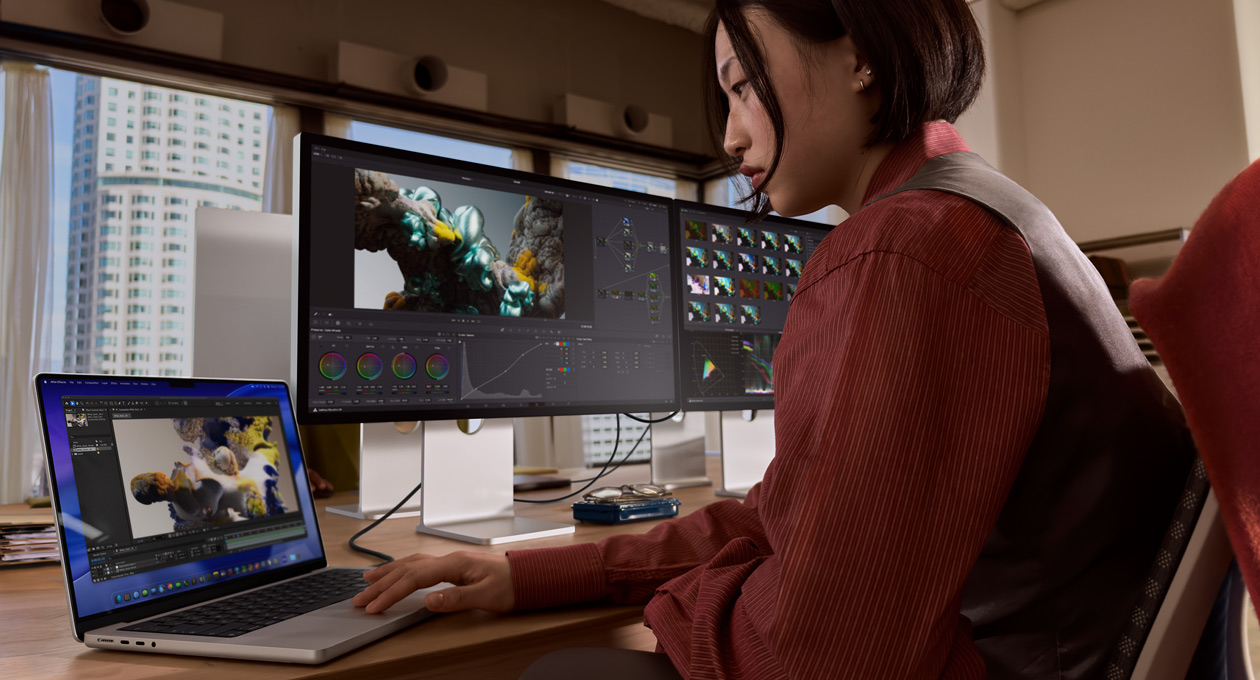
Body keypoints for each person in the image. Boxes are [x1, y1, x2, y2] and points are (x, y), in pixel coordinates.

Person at [353, 1, 1197, 677]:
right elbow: (783, 517)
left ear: (860, 55)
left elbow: (813, 656)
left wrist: (684, 602)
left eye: (744, 85)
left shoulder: (899, 250)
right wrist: (532, 574)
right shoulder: (989, 212)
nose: (729, 137)